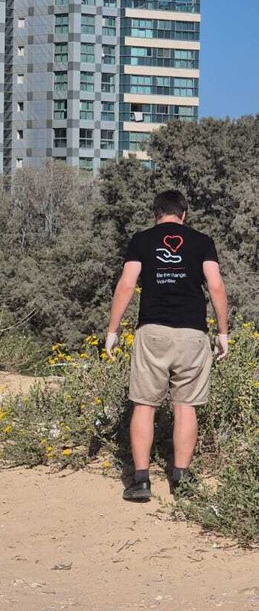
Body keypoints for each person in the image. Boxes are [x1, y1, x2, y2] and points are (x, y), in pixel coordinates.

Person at [105, 189, 229, 502]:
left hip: (153, 331)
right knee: (185, 406)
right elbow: (215, 285)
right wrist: (223, 332)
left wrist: (112, 330)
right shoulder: (202, 241)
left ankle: (142, 481)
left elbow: (127, 284)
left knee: (144, 404)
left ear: (156, 213)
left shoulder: (142, 239)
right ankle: (182, 481)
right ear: (184, 214)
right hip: (192, 333)